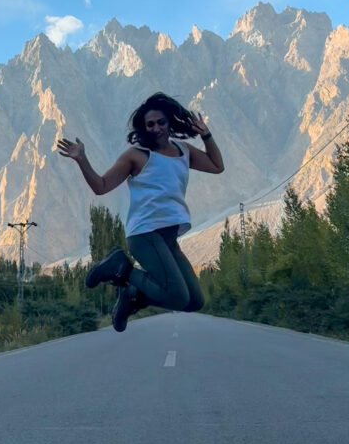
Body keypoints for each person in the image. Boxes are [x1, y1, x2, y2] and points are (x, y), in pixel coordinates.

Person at [56, 91, 224, 332]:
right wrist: (82, 159)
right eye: (150, 124)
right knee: (177, 297)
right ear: (143, 128)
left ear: (169, 122)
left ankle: (133, 294)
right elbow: (101, 186)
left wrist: (206, 135)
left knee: (194, 301)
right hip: (145, 234)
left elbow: (217, 166)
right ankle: (121, 269)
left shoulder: (183, 151)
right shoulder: (136, 155)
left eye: (161, 122)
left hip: (168, 238)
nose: (156, 128)